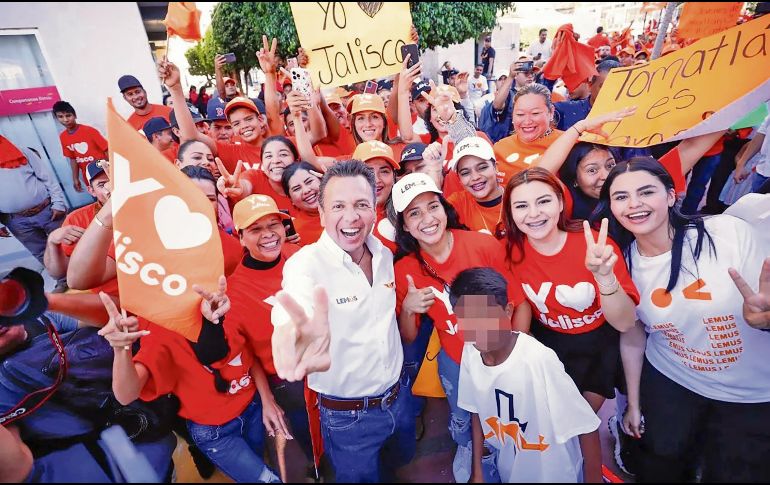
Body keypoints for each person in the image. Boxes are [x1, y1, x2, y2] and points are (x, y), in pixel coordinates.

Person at [593, 156, 770, 482]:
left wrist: (764, 319)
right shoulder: (623, 263)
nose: (634, 204)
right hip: (674, 382)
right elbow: (632, 334)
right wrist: (633, 403)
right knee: (662, 465)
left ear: (672, 195)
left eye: (646, 192)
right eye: (621, 197)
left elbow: (763, 298)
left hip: (752, 394)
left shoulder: (726, 232)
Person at [271, 160, 415, 482]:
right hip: (348, 417)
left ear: (375, 210)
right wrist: (291, 340)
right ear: (321, 213)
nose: (351, 217)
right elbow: (289, 311)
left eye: (361, 204)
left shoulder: (384, 256)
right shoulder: (304, 266)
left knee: (400, 463)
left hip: (399, 396)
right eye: (338, 206)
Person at [392, 172, 527, 482]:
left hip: (499, 352)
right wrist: (409, 309)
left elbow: (519, 302)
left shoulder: (481, 245)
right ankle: (467, 447)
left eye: (432, 206)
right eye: (415, 213)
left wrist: (517, 352)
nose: (427, 218)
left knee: (504, 412)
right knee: (463, 414)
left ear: (444, 208)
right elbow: (408, 335)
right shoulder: (406, 269)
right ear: (405, 226)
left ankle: (503, 451)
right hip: (454, 359)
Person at [98, 275, 281, 483]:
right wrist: (122, 350)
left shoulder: (224, 303)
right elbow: (126, 394)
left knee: (258, 460)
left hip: (253, 409)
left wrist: (267, 400)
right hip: (216, 432)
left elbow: (248, 356)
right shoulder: (160, 332)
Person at [502, 167, 638, 411]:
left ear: (561, 202)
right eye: (521, 206)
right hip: (550, 346)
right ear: (510, 213)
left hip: (600, 345)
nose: (534, 214)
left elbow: (626, 323)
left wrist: (604, 277)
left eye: (543, 201)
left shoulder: (595, 245)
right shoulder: (509, 252)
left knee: (583, 419)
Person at [452, 267, 603, 483]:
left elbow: (585, 427)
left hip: (555, 472)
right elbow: (476, 409)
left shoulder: (538, 360)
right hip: (511, 468)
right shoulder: (470, 351)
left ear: (507, 311)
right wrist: (477, 472)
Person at [223, 194, 316, 461]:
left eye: (273, 224)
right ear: (240, 237)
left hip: (328, 363)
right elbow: (247, 354)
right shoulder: (235, 292)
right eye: (256, 229)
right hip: (289, 382)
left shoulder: (298, 255)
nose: (268, 235)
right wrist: (267, 399)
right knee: (311, 442)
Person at [0, 135, 67, 277]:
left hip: (47, 210)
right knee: (42, 252)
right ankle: (62, 280)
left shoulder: (23, 152)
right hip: (16, 221)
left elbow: (48, 178)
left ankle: (85, 273)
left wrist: (59, 203)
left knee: (67, 243)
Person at [44, 162, 112, 286]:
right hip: (106, 293)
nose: (110, 188)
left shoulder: (146, 205)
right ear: (92, 191)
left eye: (113, 180)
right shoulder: (77, 219)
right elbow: (59, 273)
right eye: (102, 184)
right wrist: (52, 243)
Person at [492, 83, 563, 186]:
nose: (527, 121)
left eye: (535, 113)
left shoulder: (567, 143)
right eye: (520, 114)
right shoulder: (499, 148)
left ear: (551, 112)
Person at [446, 137, 506, 237]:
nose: (475, 177)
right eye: (465, 173)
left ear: (496, 167)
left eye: (482, 168)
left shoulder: (516, 196)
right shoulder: (458, 203)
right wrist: (434, 170)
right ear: (459, 179)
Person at [53, 100, 109, 192]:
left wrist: (110, 170)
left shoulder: (89, 131)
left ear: (75, 115)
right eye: (60, 117)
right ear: (57, 118)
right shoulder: (63, 137)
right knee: (99, 201)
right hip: (88, 177)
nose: (65, 120)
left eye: (68, 115)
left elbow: (107, 150)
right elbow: (73, 159)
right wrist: (75, 178)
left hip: (103, 173)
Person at [478, 57, 537, 143]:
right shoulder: (509, 95)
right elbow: (497, 105)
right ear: (516, 75)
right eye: (526, 73)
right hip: (511, 146)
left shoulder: (538, 95)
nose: (530, 76)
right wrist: (510, 76)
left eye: (532, 73)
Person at [554, 59, 621, 132]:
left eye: (618, 88)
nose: (611, 92)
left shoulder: (629, 117)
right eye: (604, 87)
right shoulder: (564, 110)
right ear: (590, 86)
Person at [281, 161, 324, 246]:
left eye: (309, 182)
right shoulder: (295, 235)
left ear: (322, 180)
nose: (306, 190)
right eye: (297, 189)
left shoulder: (348, 205)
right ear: (291, 200)